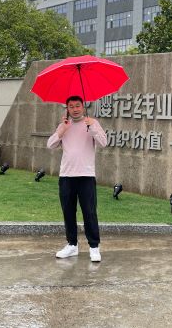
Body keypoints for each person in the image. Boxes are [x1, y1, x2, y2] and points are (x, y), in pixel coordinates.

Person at [47, 95, 107, 262]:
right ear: (67, 108)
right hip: (66, 176)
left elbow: (103, 143)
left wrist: (92, 127)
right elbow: (50, 145)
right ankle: (72, 245)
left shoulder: (92, 123)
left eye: (77, 105)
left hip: (86, 175)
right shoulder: (64, 125)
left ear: (83, 106)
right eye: (71, 106)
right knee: (68, 212)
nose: (74, 109)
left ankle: (94, 247)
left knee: (89, 212)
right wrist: (61, 131)